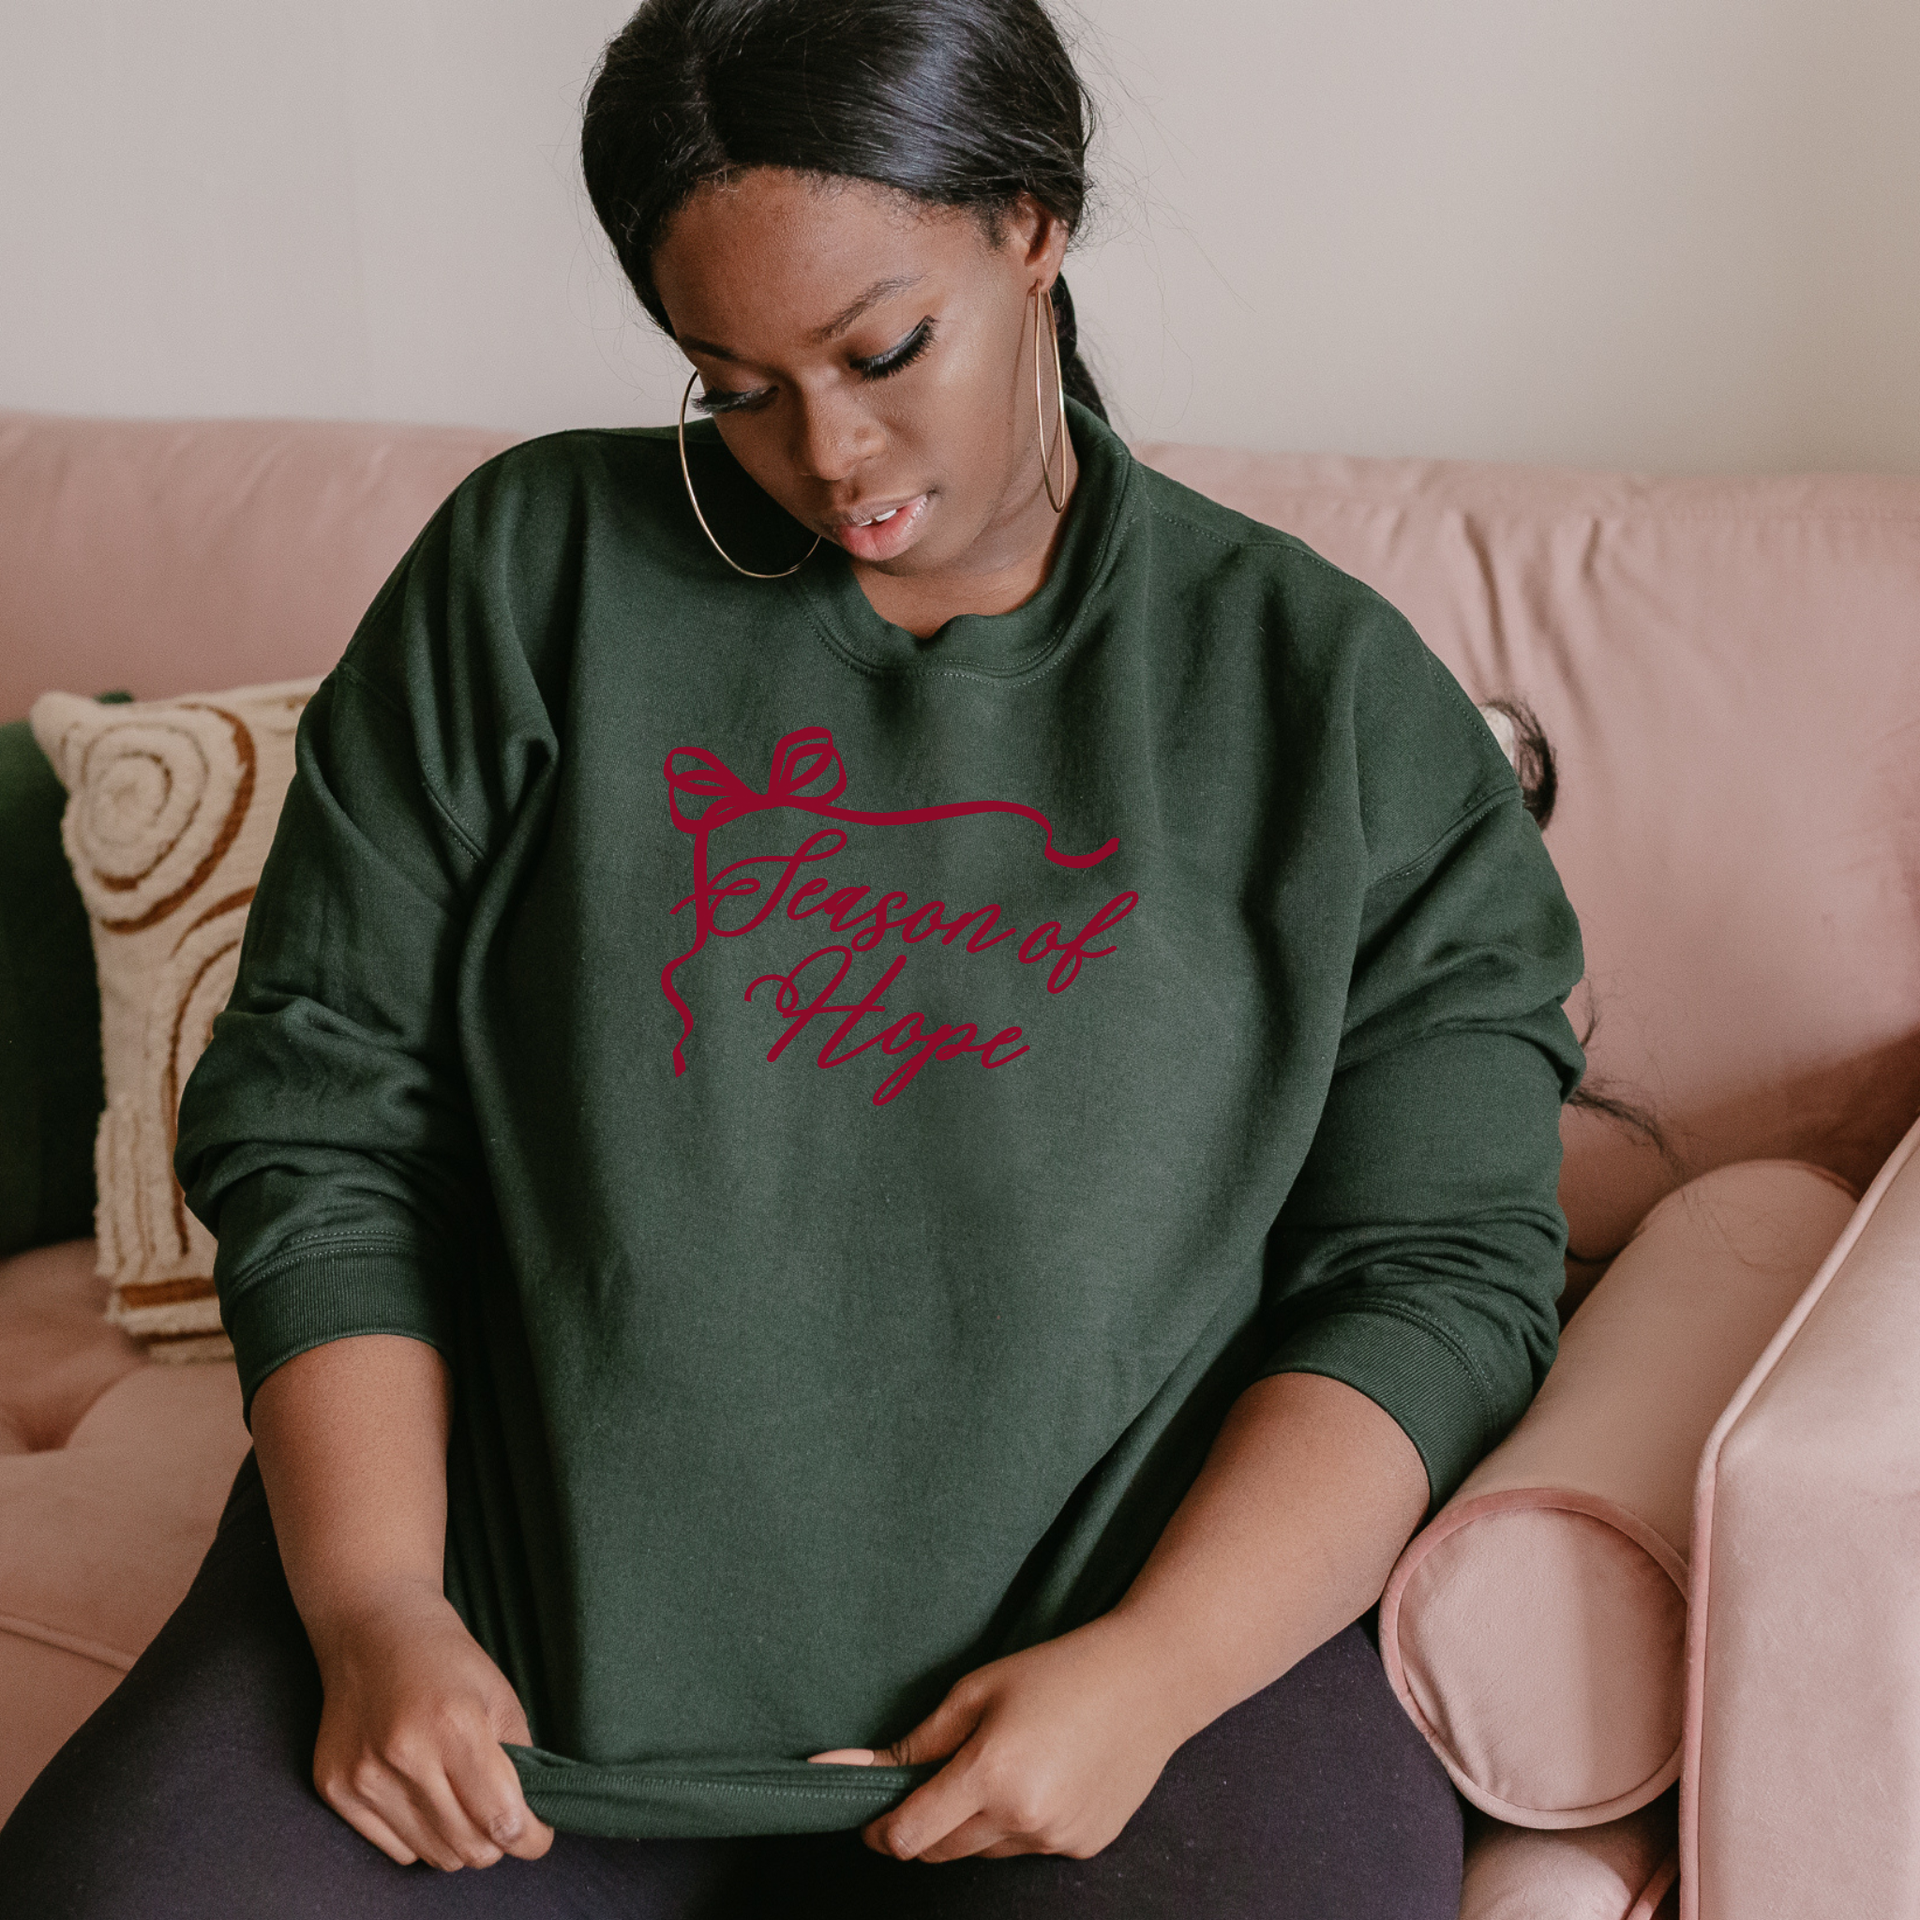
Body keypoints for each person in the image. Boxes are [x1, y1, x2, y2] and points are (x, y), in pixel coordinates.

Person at [0, 0, 1586, 1914]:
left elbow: (1437, 1273)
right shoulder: (524, 579)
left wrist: (1156, 1674)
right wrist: (374, 1607)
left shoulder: (1331, 700)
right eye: (732, 385)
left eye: (881, 349)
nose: (828, 454)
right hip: (494, 1651)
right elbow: (321, 1127)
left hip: (1126, 1672)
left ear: (1032, 226)